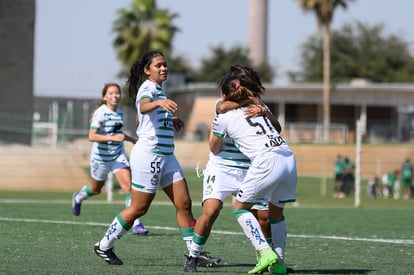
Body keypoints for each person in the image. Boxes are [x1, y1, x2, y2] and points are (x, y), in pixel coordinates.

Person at [92, 50, 218, 267]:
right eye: (158, 65)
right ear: (147, 70)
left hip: (167, 155)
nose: (163, 68)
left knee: (184, 203)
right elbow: (143, 106)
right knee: (139, 208)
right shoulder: (148, 88)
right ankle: (104, 245)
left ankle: (194, 252)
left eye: (165, 64)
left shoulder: (159, 91)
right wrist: (160, 104)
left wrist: (172, 120)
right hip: (148, 156)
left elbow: (144, 121)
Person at [185, 65, 283, 273]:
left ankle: (268, 257)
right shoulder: (223, 107)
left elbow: (277, 128)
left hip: (251, 169)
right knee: (211, 210)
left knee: (263, 217)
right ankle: (192, 256)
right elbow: (220, 114)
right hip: (221, 168)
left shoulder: (259, 105)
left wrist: (263, 110)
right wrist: (249, 102)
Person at [208, 73, 297, 274]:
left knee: (240, 207)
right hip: (287, 156)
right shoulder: (257, 106)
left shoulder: (224, 115)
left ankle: (265, 252)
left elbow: (214, 148)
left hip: (266, 160)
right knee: (276, 214)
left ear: (223, 94)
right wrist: (258, 104)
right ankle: (279, 263)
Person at [71, 83, 148, 235]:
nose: (115, 96)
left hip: (117, 156)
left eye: (117, 93)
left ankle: (136, 224)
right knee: (95, 189)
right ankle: (78, 198)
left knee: (128, 187)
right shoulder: (101, 113)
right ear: (105, 97)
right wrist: (112, 137)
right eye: (111, 93)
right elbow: (92, 136)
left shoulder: (120, 112)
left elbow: (118, 134)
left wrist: (132, 140)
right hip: (100, 158)